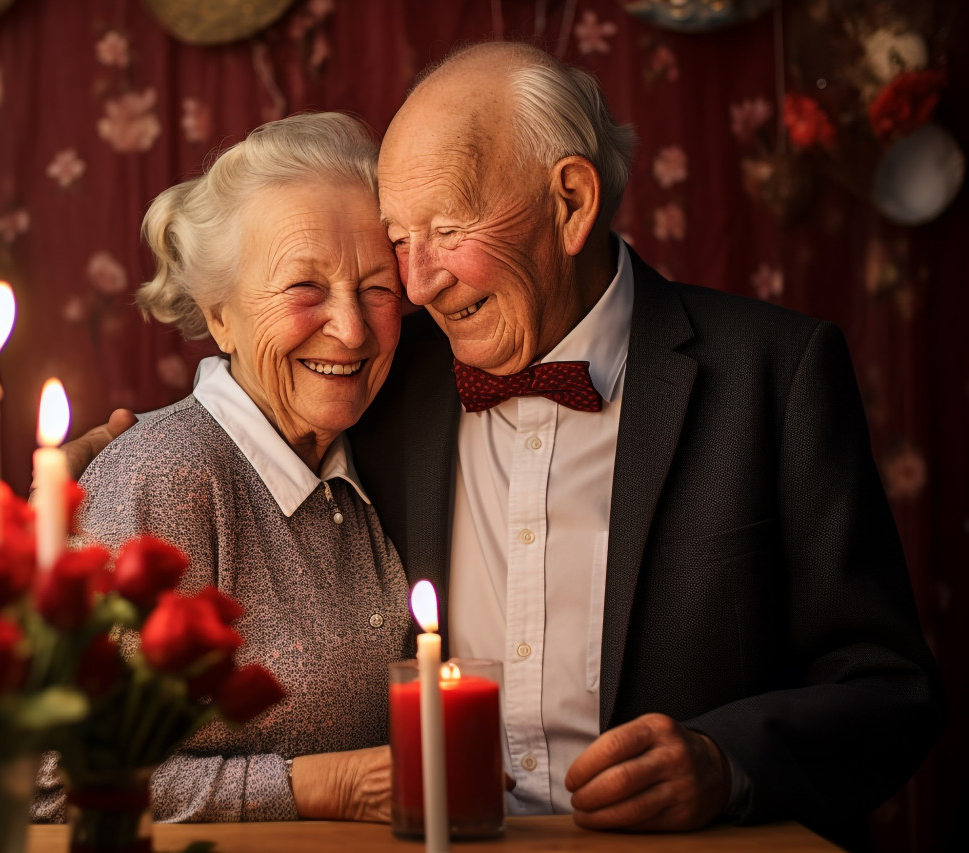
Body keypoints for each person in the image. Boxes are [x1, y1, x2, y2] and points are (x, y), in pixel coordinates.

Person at [67, 43, 942, 849]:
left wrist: (727, 761)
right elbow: (249, 397)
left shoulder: (773, 374)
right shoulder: (380, 372)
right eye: (399, 243)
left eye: (445, 232)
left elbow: (888, 689)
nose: (414, 286)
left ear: (570, 201)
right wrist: (94, 481)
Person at [62, 111, 408, 824]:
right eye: (303, 288)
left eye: (378, 287)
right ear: (219, 314)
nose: (351, 328)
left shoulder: (365, 456)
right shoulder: (165, 475)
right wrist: (327, 786)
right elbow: (61, 777)